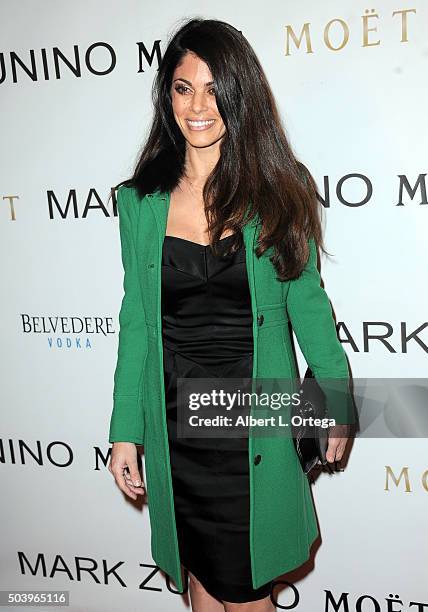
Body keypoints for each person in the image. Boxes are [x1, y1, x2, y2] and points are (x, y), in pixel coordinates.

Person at [108, 17, 350, 612]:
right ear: (167, 95)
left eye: (215, 88)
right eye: (183, 87)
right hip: (175, 428)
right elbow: (136, 321)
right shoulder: (139, 201)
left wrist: (338, 402)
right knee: (198, 586)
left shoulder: (278, 190)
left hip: (252, 426)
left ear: (240, 95)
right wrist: (125, 429)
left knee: (244, 592)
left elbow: (309, 302)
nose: (198, 105)